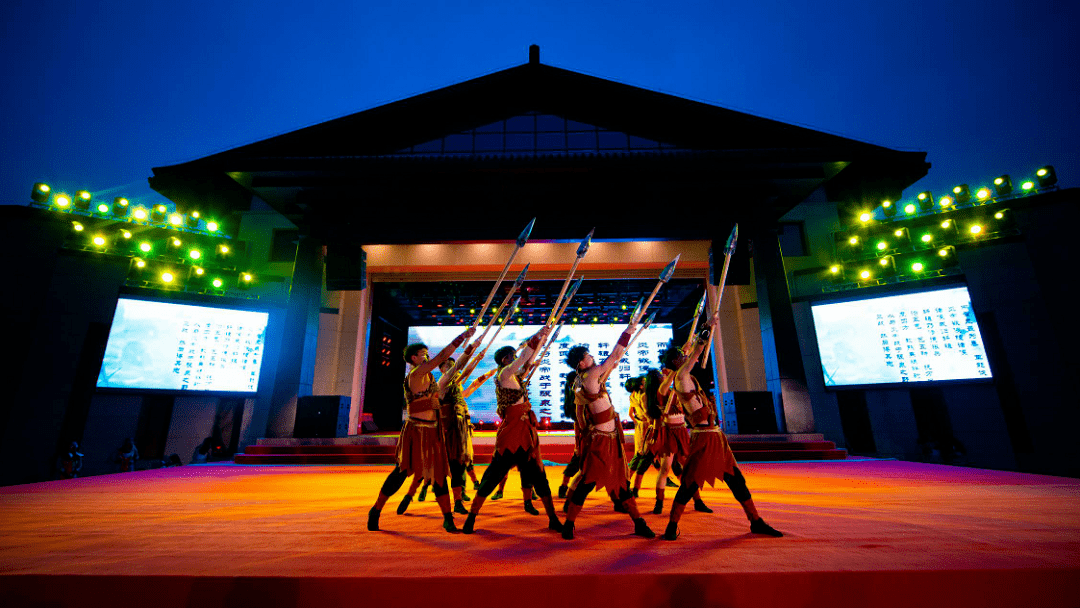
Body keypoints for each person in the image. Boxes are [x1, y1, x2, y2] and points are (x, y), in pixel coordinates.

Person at [659, 322, 783, 540]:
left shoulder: (687, 377)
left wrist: (703, 334)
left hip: (715, 436)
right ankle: (671, 525)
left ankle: (756, 521)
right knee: (689, 484)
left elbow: (694, 355)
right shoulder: (680, 377)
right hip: (704, 438)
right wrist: (706, 331)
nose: (683, 356)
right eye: (680, 355)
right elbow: (697, 352)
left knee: (736, 481)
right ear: (675, 361)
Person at [367, 327, 475, 533]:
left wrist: (470, 348)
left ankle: (447, 518)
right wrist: (462, 337)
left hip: (433, 431)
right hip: (416, 432)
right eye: (423, 355)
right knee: (401, 473)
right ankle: (376, 509)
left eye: (427, 354)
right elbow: (443, 356)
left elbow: (454, 367)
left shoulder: (431, 378)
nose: (427, 358)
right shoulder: (416, 374)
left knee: (440, 476)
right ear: (413, 358)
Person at [462, 326, 563, 535]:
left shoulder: (515, 377)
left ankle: (552, 517)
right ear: (505, 360)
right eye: (512, 356)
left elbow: (527, 358)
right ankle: (471, 517)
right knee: (493, 476)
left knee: (538, 476)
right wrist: (537, 336)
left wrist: (542, 339)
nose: (515, 358)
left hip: (525, 431)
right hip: (511, 432)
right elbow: (524, 358)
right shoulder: (505, 374)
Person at [560, 320, 655, 540]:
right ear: (581, 364)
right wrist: (628, 331)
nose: (592, 357)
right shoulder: (589, 377)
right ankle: (569, 524)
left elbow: (613, 361)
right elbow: (613, 357)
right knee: (588, 482)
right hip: (602, 441)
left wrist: (621, 349)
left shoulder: (589, 378)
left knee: (619, 484)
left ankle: (638, 522)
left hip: (607, 438)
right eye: (588, 355)